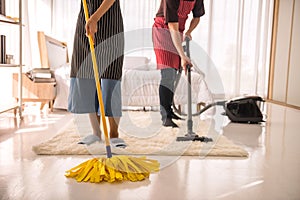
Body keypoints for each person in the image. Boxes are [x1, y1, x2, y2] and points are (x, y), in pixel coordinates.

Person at [68, 0, 126, 147]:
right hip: (85, 22)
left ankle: (114, 134)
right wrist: (90, 20)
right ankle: (96, 133)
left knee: (110, 75)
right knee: (87, 75)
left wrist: (95, 18)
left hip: (110, 23)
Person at [152, 0, 205, 128]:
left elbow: (197, 17)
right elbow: (172, 26)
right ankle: (166, 116)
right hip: (163, 30)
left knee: (175, 73)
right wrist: (182, 56)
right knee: (168, 73)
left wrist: (188, 32)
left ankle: (169, 110)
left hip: (178, 31)